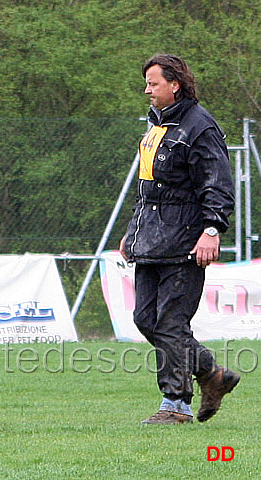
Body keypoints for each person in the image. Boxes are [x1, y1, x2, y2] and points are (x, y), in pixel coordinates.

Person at [119, 54, 240, 425]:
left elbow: (217, 184)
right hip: (151, 238)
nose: (147, 91)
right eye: (147, 83)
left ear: (175, 84)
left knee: (171, 322)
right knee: (145, 319)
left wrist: (212, 229)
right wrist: (131, 230)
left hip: (186, 240)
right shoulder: (156, 126)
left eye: (153, 84)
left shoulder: (199, 126)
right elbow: (148, 189)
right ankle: (211, 375)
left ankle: (176, 406)